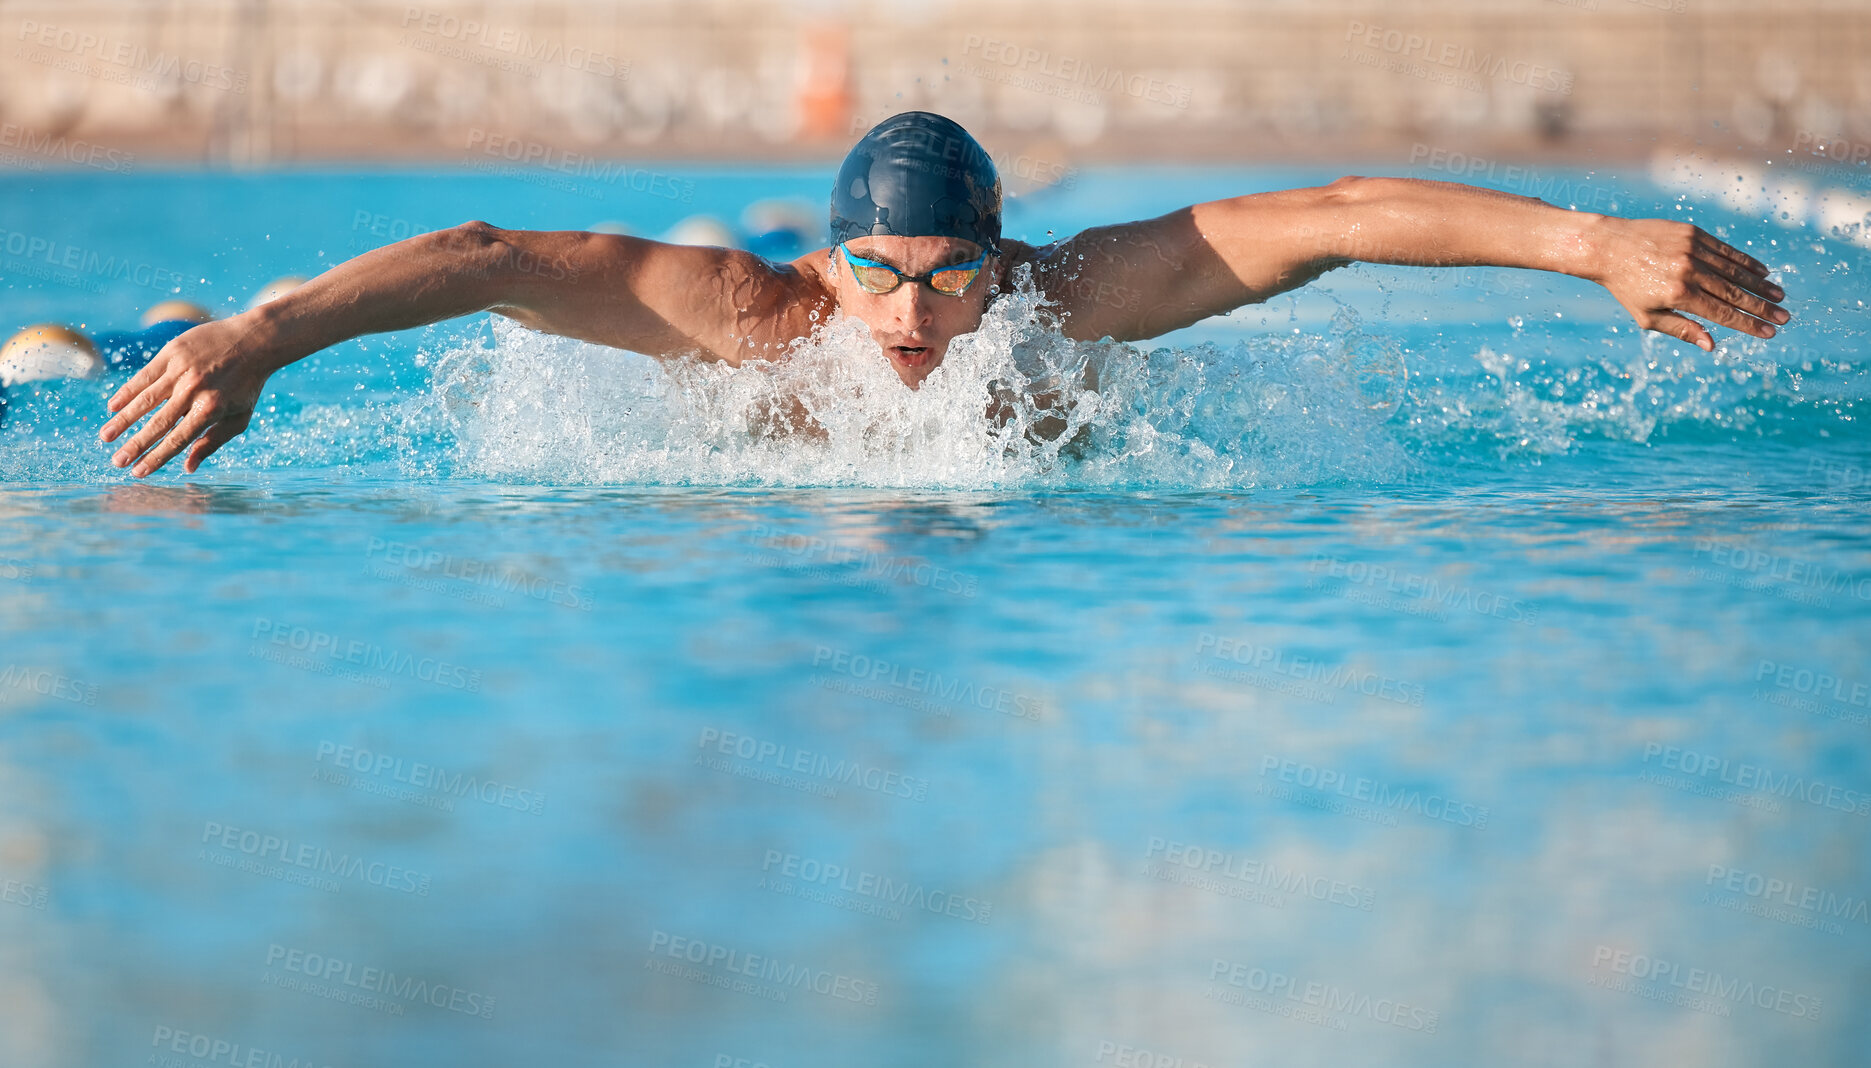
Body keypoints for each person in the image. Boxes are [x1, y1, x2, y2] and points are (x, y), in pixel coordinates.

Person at [94, 111, 1787, 478]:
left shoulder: (1077, 296)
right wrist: (255, 339)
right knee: (76, 349)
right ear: (829, 266)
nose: (912, 315)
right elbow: (485, 266)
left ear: (1002, 266)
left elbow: (1332, 213)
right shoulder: (740, 312)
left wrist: (1595, 242)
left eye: (950, 278)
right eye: (881, 277)